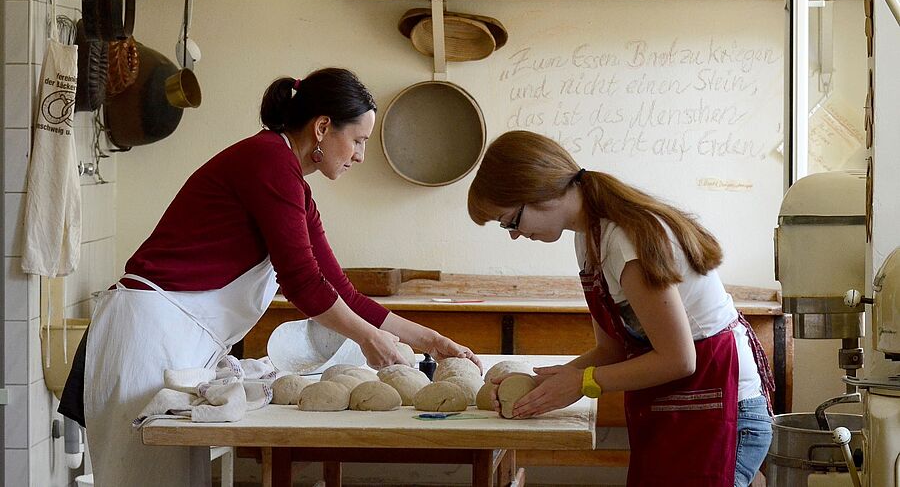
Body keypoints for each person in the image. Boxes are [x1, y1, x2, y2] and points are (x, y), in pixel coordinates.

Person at [72, 68, 481, 486]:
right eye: (358, 140)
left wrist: (431, 341)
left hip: (179, 342)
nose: (360, 155)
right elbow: (303, 284)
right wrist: (367, 338)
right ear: (323, 127)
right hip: (145, 337)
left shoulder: (295, 186)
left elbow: (340, 292)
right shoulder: (268, 160)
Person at [467, 130, 774, 487]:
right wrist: (544, 384)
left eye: (510, 221)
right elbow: (611, 350)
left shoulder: (625, 239)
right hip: (682, 408)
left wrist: (584, 383)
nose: (514, 235)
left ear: (540, 192)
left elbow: (678, 358)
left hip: (722, 408)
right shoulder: (588, 237)